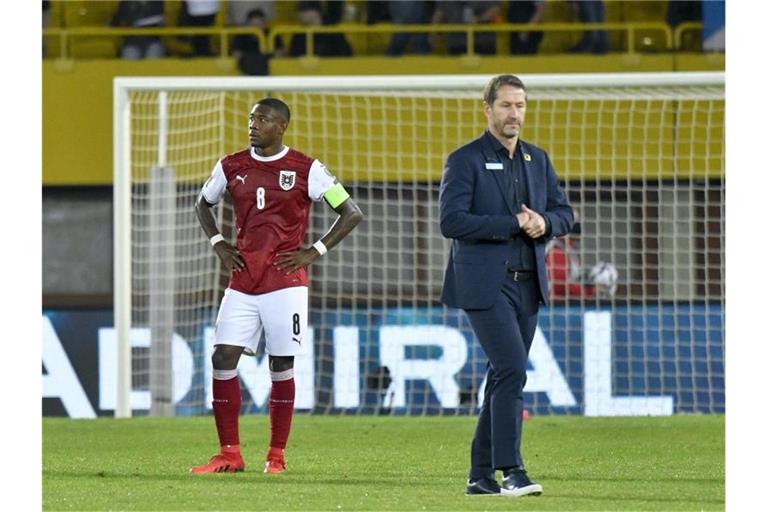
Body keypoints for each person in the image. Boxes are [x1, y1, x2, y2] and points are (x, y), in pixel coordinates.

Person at [190, 98, 364, 474]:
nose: (254, 125)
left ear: (281, 126)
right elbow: (202, 204)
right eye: (252, 118)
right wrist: (218, 243)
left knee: (281, 363)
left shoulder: (307, 169)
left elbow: (351, 212)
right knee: (222, 357)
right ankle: (229, 454)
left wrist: (314, 251)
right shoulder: (230, 165)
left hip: (285, 283)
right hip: (242, 280)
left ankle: (276, 456)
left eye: (263, 119)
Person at [439, 74, 573, 496]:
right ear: (487, 109)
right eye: (506, 106)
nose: (514, 113)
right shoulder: (465, 160)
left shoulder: (538, 159)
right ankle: (512, 469)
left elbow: (565, 214)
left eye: (520, 106)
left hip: (528, 285)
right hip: (483, 285)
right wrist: (512, 223)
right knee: (513, 369)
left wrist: (545, 222)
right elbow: (451, 221)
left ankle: (479, 477)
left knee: (502, 374)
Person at [433, 1, 501, 55]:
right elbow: (439, 14)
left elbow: (495, 9)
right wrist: (434, 33)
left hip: (483, 42)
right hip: (456, 42)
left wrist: (480, 19)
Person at [288, 1, 353, 57]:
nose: (299, 14)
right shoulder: (299, 34)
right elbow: (293, 55)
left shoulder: (333, 30)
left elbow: (345, 53)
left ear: (315, 12)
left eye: (303, 10)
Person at [231, 8, 284, 75]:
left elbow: (279, 52)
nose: (256, 28)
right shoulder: (241, 35)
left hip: (270, 71)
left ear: (265, 23)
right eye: (253, 25)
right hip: (246, 70)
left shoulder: (273, 34)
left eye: (259, 25)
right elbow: (236, 54)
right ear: (247, 24)